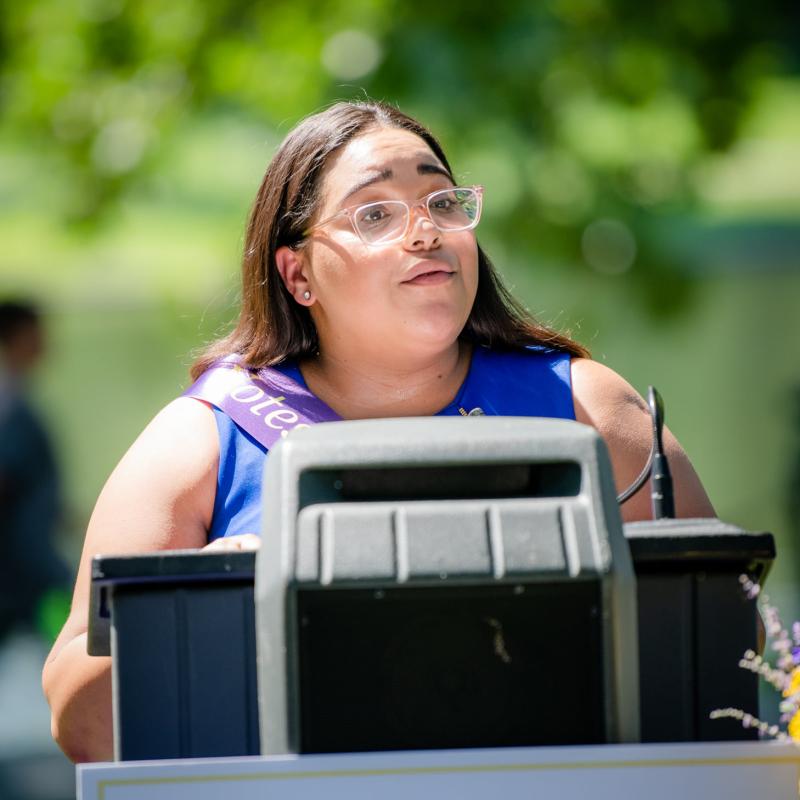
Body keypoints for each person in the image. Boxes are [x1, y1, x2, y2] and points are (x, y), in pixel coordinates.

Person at [43, 100, 715, 763]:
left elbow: (718, 641)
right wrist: (213, 602)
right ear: (298, 273)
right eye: (375, 214)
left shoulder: (584, 407)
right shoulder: (204, 440)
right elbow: (81, 724)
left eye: (443, 202)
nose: (426, 232)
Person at [0, 300, 70, 644]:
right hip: (23, 570)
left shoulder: (17, 396)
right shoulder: (8, 403)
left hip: (31, 562)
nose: (45, 342)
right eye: (36, 332)